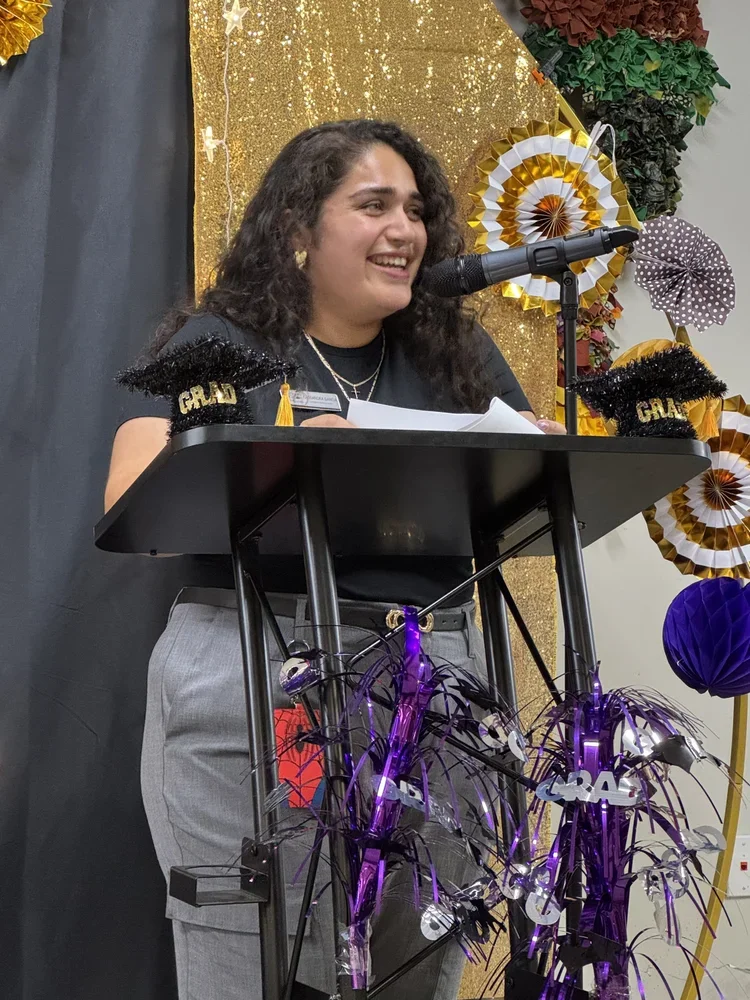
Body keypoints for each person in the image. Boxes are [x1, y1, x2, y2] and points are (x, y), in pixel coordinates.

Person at [106, 119, 565, 1000]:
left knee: (414, 957)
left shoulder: (456, 355)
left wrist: (538, 454)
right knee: (255, 955)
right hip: (257, 672)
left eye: (417, 210)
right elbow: (129, 494)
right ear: (297, 230)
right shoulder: (220, 341)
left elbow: (525, 483)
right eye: (374, 205)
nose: (406, 229)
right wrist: (276, 453)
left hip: (435, 678)